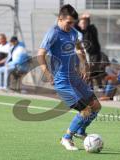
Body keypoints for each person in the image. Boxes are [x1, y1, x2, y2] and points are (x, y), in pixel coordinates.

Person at [38, 4, 101, 151]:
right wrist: (47, 73)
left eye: (73, 22)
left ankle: (80, 131)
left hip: (75, 78)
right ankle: (66, 138)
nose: (71, 25)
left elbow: (78, 48)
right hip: (62, 81)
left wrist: (84, 64)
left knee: (96, 107)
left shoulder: (73, 32)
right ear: (60, 19)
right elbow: (40, 54)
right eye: (68, 22)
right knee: (85, 110)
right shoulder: (53, 33)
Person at [77, 13, 103, 90]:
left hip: (95, 54)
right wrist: (80, 18)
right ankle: (90, 87)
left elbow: (90, 26)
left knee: (91, 69)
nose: (83, 25)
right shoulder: (81, 32)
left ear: (87, 23)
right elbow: (74, 25)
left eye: (85, 23)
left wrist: (86, 18)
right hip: (87, 54)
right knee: (89, 70)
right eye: (81, 23)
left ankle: (99, 87)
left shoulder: (92, 29)